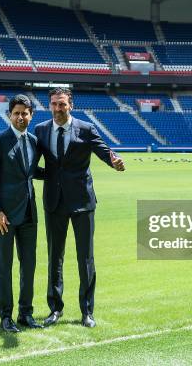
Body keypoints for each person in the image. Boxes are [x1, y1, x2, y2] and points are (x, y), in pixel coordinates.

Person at [34, 87, 125, 328]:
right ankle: (55, 309)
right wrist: (50, 177)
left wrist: (114, 162)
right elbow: (33, 164)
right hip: (54, 202)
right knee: (55, 257)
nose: (57, 109)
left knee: (85, 258)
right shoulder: (41, 130)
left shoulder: (85, 129)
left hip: (83, 202)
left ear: (70, 105)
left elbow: (104, 151)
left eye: (62, 104)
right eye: (53, 104)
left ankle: (87, 311)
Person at [0, 94, 44, 333]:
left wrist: (59, 174)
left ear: (31, 115)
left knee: (29, 266)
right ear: (10, 115)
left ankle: (26, 313)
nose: (20, 117)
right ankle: (6, 317)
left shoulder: (34, 141)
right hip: (4, 217)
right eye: (16, 113)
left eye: (24, 113)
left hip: (28, 214)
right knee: (4, 267)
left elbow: (30, 171)